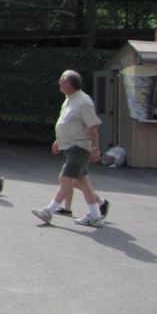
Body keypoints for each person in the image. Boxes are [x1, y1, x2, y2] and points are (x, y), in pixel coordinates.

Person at [32, 71, 110, 226]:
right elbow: (66, 123)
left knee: (65, 179)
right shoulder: (68, 100)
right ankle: (95, 215)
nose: (59, 82)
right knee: (82, 183)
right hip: (70, 147)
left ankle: (49, 211)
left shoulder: (83, 101)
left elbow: (92, 126)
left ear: (68, 84)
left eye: (61, 80)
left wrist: (95, 148)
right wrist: (57, 140)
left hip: (79, 148)